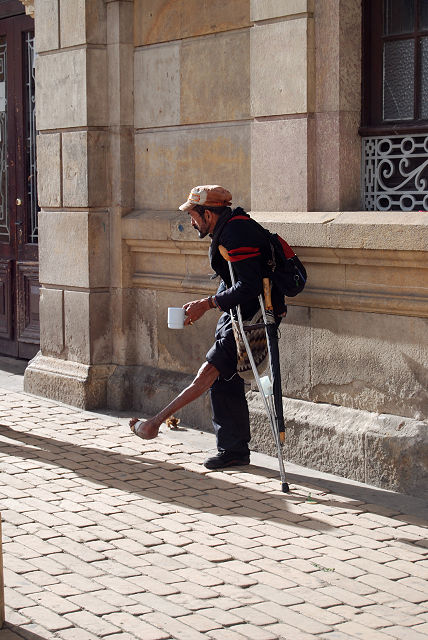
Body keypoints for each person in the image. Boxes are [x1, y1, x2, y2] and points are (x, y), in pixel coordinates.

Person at [129, 185, 286, 469]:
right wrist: (210, 305)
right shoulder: (227, 228)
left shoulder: (236, 233)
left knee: (208, 374)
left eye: (193, 215)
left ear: (208, 214)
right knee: (225, 379)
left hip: (251, 318)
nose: (191, 222)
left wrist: (208, 303)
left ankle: (153, 424)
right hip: (235, 314)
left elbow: (249, 286)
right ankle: (233, 450)